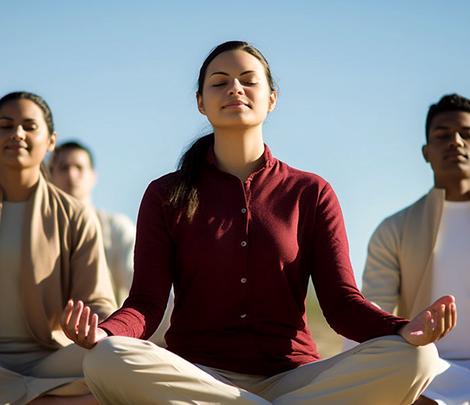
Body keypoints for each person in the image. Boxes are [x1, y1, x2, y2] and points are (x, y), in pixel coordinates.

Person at [64, 41, 456, 405]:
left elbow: (342, 304)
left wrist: (403, 329)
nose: (235, 88)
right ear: (201, 103)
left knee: (417, 359)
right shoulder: (165, 194)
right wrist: (105, 333)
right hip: (199, 375)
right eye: (220, 82)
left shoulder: (311, 191)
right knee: (104, 359)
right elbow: (146, 305)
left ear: (272, 99)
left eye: (248, 80)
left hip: (295, 377)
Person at [0, 91, 116, 405]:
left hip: (50, 360)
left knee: (121, 355)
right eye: (5, 125)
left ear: (51, 141)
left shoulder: (74, 215)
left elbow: (99, 301)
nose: (17, 134)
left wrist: (91, 328)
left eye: (29, 126)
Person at [362, 94, 470, 405]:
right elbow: (372, 316)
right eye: (443, 135)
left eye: (466, 134)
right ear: (426, 152)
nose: (456, 143)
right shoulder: (395, 229)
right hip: (429, 372)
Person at [49, 141, 172, 345]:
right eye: (63, 168)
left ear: (93, 176)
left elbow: (145, 294)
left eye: (79, 167)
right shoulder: (40, 234)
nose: (71, 175)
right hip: (54, 342)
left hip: (111, 335)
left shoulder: (116, 229)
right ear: (50, 175)